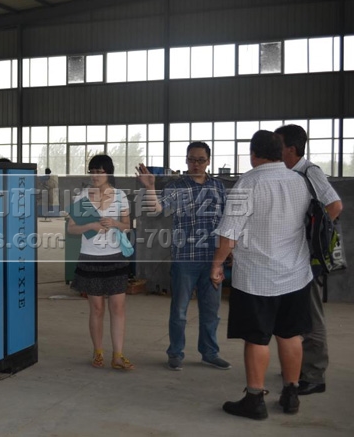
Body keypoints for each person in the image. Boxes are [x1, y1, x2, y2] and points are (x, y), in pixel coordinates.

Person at [211, 130, 313, 419]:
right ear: (280, 152)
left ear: (253, 154)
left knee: (257, 338)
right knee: (290, 334)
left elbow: (229, 233)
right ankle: (291, 395)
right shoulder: (299, 181)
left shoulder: (248, 183)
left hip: (258, 277)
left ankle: (254, 400)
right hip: (296, 274)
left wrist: (217, 265)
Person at [136, 142, 230, 372]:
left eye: (200, 160)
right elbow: (157, 208)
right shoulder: (177, 187)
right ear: (186, 160)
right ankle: (175, 353)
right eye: (191, 159)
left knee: (211, 311)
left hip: (212, 259)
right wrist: (150, 187)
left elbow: (227, 222)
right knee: (179, 310)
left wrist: (228, 254)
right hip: (185, 258)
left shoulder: (218, 187)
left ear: (208, 161)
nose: (195, 164)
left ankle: (210, 353)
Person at [275, 124, 343, 396]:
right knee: (294, 315)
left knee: (311, 317)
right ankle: (297, 366)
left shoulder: (309, 172)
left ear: (291, 149)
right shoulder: (287, 173)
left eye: (278, 145)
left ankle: (314, 375)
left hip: (306, 258)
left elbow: (334, 206)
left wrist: (312, 238)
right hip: (290, 257)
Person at [68, 155, 134, 371]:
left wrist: (115, 223)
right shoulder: (81, 197)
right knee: (96, 308)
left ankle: (118, 355)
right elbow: (71, 228)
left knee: (118, 307)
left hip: (115, 257)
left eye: (100, 171)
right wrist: (90, 226)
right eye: (93, 171)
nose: (95, 176)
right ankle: (98, 352)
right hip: (90, 257)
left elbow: (128, 225)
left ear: (109, 173)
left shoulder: (120, 196)